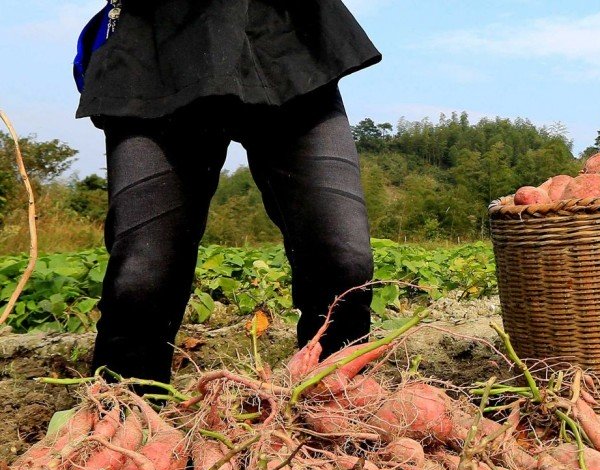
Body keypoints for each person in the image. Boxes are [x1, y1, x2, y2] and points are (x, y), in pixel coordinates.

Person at [74, 0, 381, 385]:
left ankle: (341, 403)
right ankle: (125, 415)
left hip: (288, 48)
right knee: (141, 278)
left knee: (343, 261)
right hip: (153, 55)